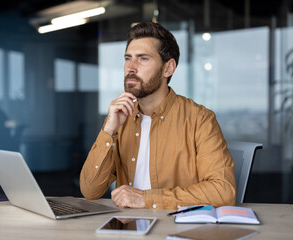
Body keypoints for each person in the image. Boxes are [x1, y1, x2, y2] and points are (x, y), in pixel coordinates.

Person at [80, 22, 236, 209]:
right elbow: (90, 190)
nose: (131, 67)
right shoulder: (119, 118)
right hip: (127, 228)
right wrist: (108, 131)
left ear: (168, 69)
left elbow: (223, 191)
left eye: (143, 59)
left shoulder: (199, 119)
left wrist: (147, 199)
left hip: (176, 230)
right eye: (128, 58)